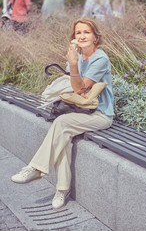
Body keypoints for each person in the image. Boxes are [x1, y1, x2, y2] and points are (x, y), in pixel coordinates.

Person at [11, 17, 115, 210]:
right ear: (73, 37)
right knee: (62, 134)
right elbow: (72, 86)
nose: (82, 36)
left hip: (99, 114)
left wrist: (73, 65)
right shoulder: (77, 56)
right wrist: (73, 62)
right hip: (79, 110)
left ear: (95, 37)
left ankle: (35, 168)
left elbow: (79, 89)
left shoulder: (100, 58)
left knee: (61, 124)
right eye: (78, 32)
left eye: (86, 32)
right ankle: (61, 189)